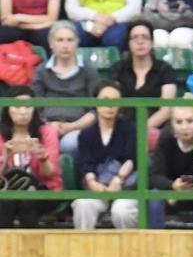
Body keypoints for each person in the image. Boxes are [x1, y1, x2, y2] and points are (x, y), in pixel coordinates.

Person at [72, 78, 139, 230]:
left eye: (115, 100)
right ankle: (82, 250)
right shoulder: (87, 134)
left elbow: (131, 159)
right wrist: (93, 183)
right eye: (105, 100)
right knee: (83, 205)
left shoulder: (130, 129)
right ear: (96, 102)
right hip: (97, 185)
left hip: (125, 185)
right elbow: (86, 164)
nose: (110, 105)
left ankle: (130, 252)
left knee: (122, 211)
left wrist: (118, 180)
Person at [31, 20, 99, 157]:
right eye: (60, 40)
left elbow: (96, 110)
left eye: (70, 40)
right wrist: (49, 125)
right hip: (47, 126)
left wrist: (72, 126)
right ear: (51, 44)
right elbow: (34, 107)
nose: (65, 45)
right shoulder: (42, 71)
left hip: (79, 126)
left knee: (70, 144)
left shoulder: (88, 70)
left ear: (77, 43)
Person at [0, 85, 62, 228]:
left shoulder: (47, 132)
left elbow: (50, 174)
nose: (23, 112)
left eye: (28, 107)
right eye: (17, 106)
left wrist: (42, 158)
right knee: (6, 201)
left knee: (27, 200)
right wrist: (6, 158)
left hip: (43, 189)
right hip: (6, 188)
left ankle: (31, 249)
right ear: (8, 109)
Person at [108, 20, 178, 131]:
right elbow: (112, 102)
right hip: (123, 127)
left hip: (156, 128)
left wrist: (141, 130)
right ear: (128, 43)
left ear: (152, 42)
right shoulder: (118, 69)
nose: (140, 41)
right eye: (135, 37)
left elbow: (166, 110)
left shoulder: (164, 69)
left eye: (145, 37)